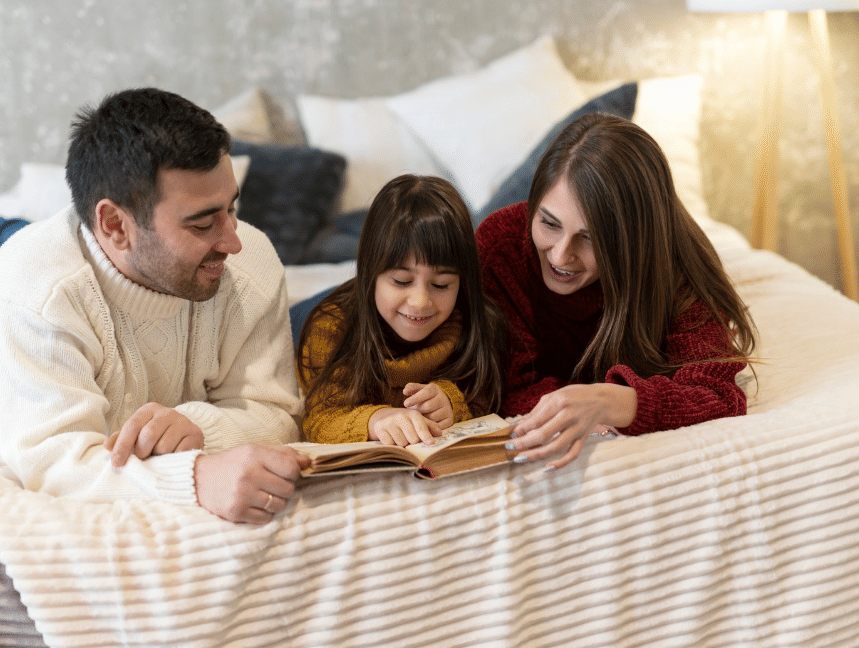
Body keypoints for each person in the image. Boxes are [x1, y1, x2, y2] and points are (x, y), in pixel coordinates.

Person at [0, 87, 307, 524]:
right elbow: (55, 465)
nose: (233, 241)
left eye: (232, 209)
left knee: (42, 240)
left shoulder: (251, 261)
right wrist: (197, 477)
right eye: (203, 223)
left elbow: (277, 412)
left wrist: (203, 428)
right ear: (114, 224)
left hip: (88, 255)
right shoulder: (28, 295)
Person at [476, 112, 758, 471]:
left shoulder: (676, 266)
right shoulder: (500, 246)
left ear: (633, 241)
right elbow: (505, 386)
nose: (561, 255)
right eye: (549, 223)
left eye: (590, 238)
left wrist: (610, 401)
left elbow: (717, 395)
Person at [296, 174, 507, 446]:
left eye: (441, 284)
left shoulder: (479, 324)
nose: (420, 301)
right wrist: (376, 419)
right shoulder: (332, 327)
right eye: (401, 281)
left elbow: (485, 401)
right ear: (371, 272)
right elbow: (319, 418)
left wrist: (451, 404)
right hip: (317, 312)